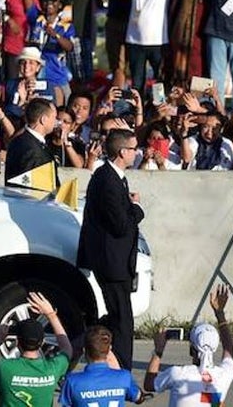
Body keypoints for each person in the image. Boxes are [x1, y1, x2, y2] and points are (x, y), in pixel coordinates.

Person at [76, 128, 144, 370]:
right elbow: (119, 224)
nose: (137, 153)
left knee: (115, 317)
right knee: (122, 320)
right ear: (122, 151)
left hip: (118, 261)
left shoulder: (115, 177)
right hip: (111, 262)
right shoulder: (107, 179)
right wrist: (136, 208)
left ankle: (86, 346)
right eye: (134, 149)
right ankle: (122, 370)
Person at [0, 292, 74, 407]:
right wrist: (51, 315)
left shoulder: (3, 367)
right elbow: (67, 349)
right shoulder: (54, 368)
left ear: (17, 342)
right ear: (42, 343)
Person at [144, 288, 233, 407]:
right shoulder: (224, 375)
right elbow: (229, 350)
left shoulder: (178, 374)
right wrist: (220, 314)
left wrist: (158, 351)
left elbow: (149, 384)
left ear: (192, 349)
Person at [60, 326, 142, 407]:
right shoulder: (124, 376)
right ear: (109, 349)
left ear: (84, 350)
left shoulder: (72, 381)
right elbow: (138, 397)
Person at [3, 98, 59, 194]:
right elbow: (28, 185)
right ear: (43, 119)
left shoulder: (20, 140)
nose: (56, 122)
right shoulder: (31, 149)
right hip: (33, 204)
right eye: (54, 117)